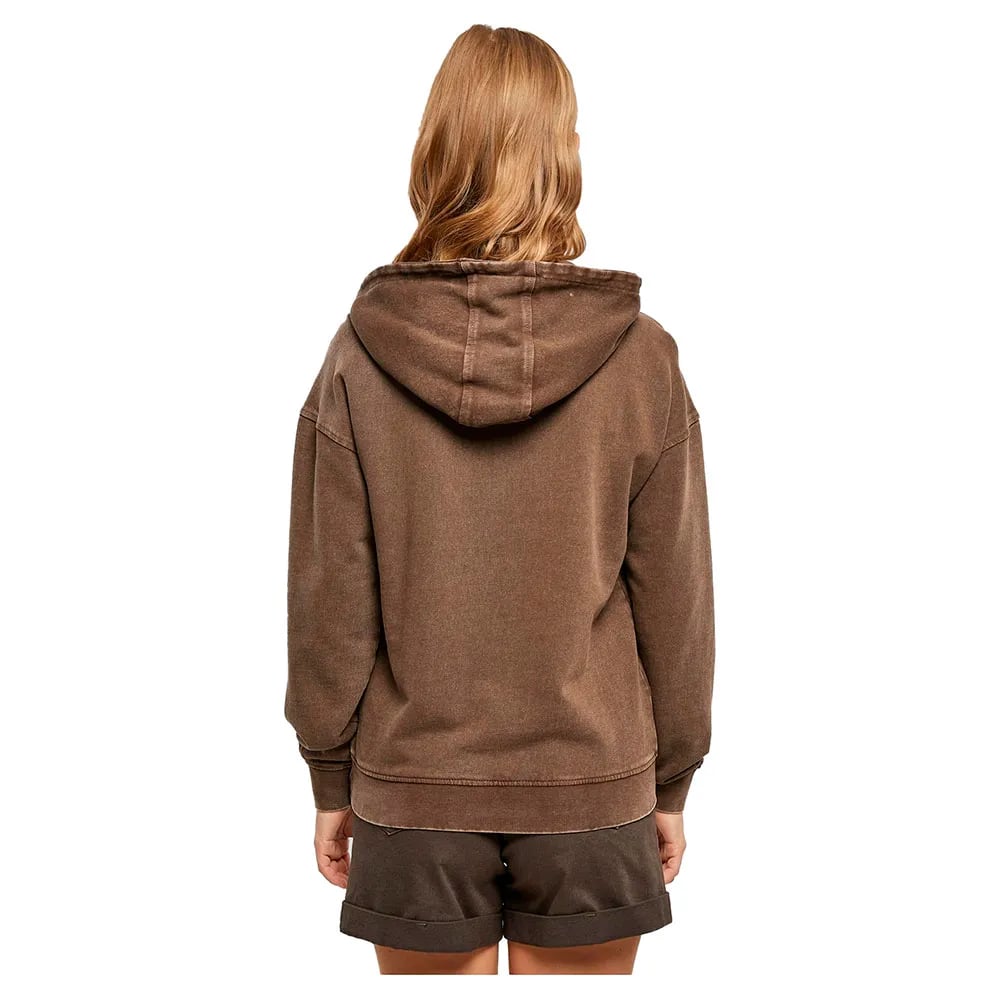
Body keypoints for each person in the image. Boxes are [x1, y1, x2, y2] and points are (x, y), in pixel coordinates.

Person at [284, 23, 716, 976]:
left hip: (414, 793)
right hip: (592, 789)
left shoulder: (358, 357)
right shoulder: (641, 358)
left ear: (437, 151)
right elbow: (677, 600)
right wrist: (672, 779)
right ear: (563, 154)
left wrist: (329, 774)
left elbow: (330, 599)